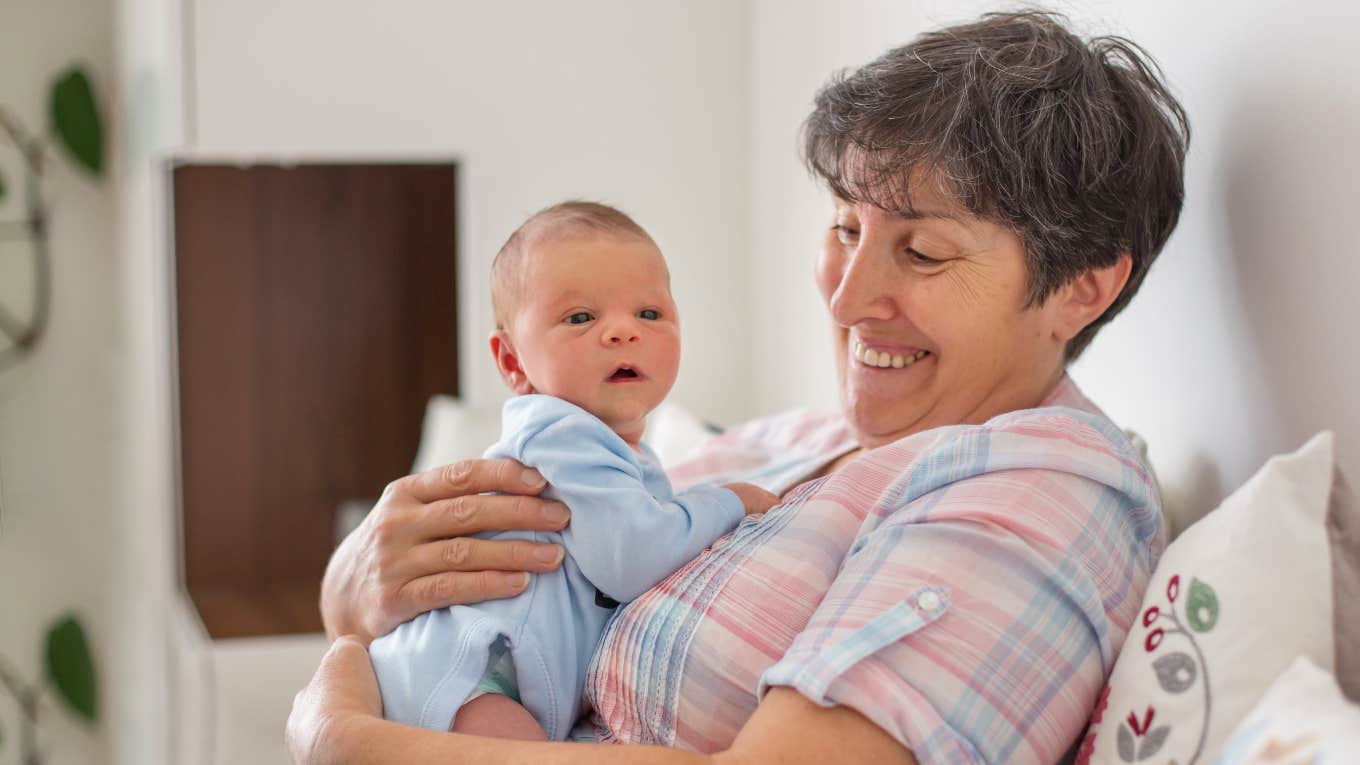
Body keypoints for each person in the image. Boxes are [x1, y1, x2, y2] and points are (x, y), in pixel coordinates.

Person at [288, 10, 1189, 765]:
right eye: (843, 227)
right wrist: (354, 582)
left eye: (921, 251)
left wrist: (344, 735)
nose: (844, 295)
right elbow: (407, 597)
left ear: (1083, 287)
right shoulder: (784, 442)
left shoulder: (1044, 491)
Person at [368, 201, 779, 741]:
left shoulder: (620, 452)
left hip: (491, 676)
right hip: (467, 674)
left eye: (649, 314)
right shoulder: (561, 432)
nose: (623, 332)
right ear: (514, 363)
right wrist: (728, 501)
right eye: (581, 317)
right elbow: (631, 558)